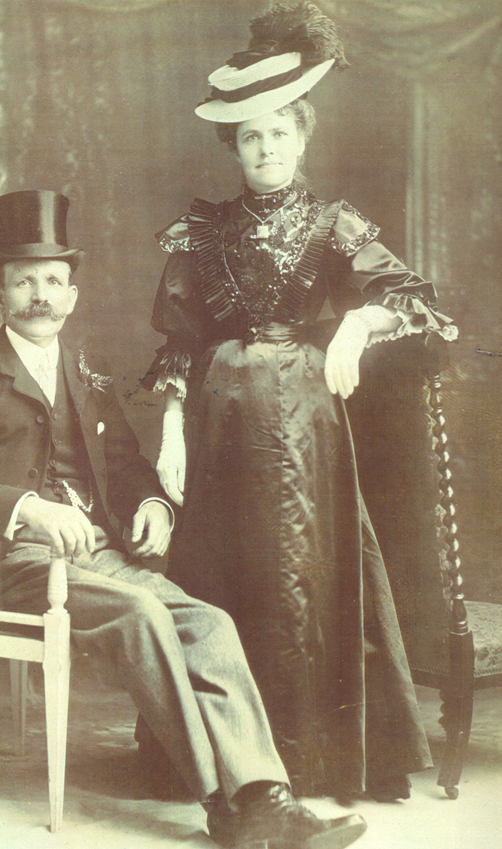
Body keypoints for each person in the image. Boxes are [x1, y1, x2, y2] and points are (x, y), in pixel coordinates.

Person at [0, 189, 367, 849]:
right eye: (24, 282)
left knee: (208, 622)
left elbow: (124, 465)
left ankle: (266, 793)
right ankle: (225, 805)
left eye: (53, 282)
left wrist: (151, 502)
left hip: (95, 559)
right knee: (143, 613)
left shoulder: (85, 372)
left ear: (72, 296)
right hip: (4, 563)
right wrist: (28, 509)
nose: (40, 295)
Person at [143, 2, 457, 805]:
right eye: (251, 136)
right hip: (219, 424)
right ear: (234, 146)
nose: (266, 147)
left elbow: (419, 304)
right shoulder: (201, 231)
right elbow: (179, 341)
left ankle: (314, 760)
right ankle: (231, 766)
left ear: (303, 135)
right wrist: (172, 429)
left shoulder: (334, 224)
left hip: (304, 429)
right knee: (224, 575)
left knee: (300, 572)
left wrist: (355, 323)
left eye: (279, 131)